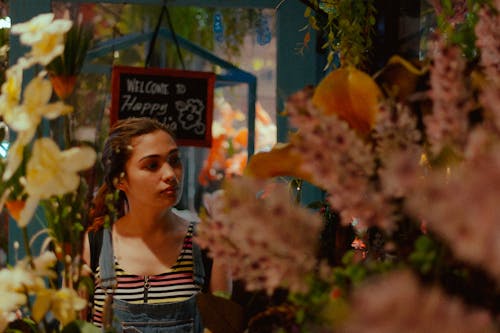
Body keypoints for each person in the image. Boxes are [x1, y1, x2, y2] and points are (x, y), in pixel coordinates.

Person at [82, 117, 232, 332]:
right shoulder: (94, 246)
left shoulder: (210, 244)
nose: (170, 174)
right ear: (120, 180)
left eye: (174, 160)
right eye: (152, 165)